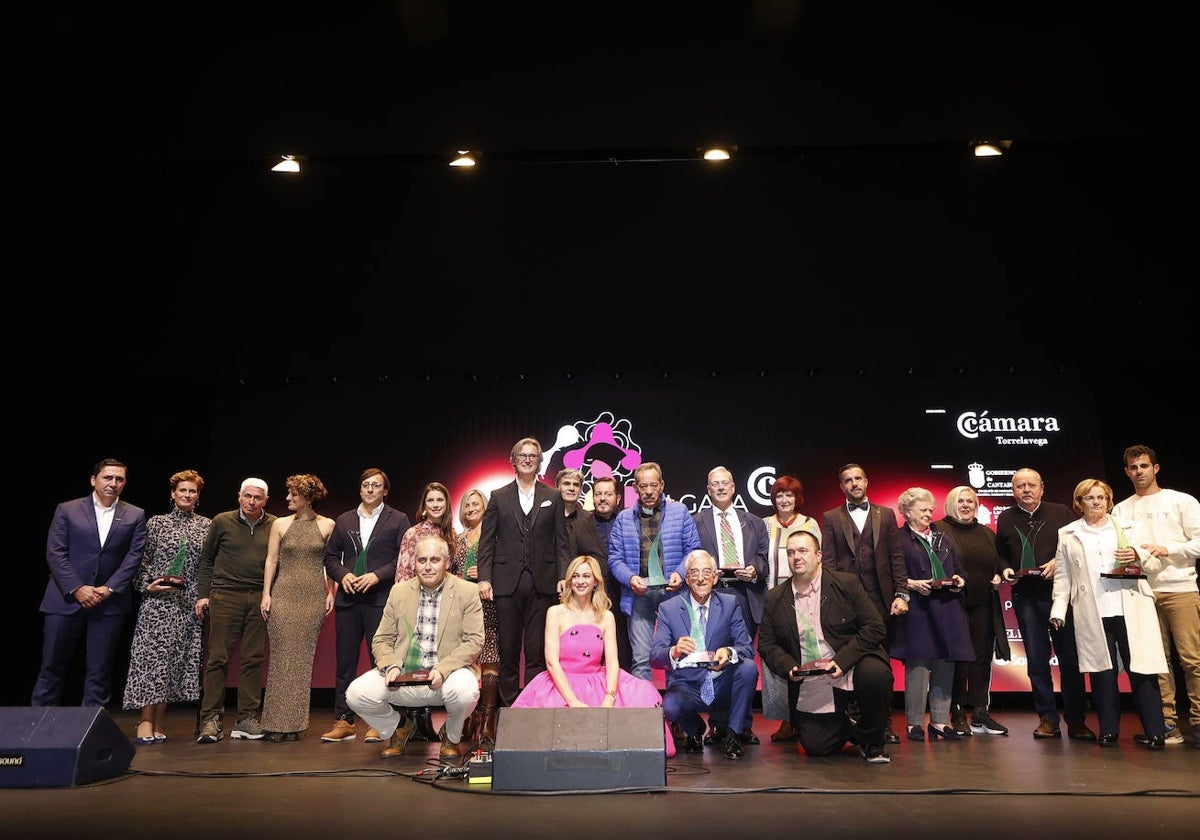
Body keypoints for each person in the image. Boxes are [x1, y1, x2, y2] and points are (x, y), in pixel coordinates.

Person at [511, 554, 676, 757]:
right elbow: (551, 662)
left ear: (596, 581)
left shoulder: (606, 616)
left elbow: (613, 662)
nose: (581, 581)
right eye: (576, 576)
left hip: (598, 681)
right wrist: (572, 701)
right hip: (560, 684)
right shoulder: (555, 612)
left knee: (643, 691)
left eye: (586, 576)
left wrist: (609, 696)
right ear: (569, 580)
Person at [758, 530, 894, 764]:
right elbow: (767, 644)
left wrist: (842, 662)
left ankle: (872, 741)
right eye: (791, 553)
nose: (796, 557)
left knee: (876, 674)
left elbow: (875, 627)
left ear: (819, 555)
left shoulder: (846, 584)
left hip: (850, 664)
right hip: (810, 678)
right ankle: (851, 723)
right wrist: (789, 668)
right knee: (816, 747)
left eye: (803, 551)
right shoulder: (775, 597)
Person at [1051, 478, 1168, 749]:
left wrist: (1137, 554)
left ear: (1109, 501)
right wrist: (1059, 610)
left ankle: (1155, 731)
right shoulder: (1068, 533)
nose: (1096, 502)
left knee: (1143, 670)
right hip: (1092, 611)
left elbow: (1153, 562)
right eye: (1090, 498)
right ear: (1080, 503)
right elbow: (1063, 576)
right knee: (1102, 673)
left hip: (1130, 607)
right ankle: (1109, 730)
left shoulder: (1129, 527)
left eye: (1101, 497)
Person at [345, 534, 483, 762]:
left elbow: (474, 641)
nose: (427, 566)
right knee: (356, 694)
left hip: (445, 677)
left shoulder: (466, 591)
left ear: (447, 562)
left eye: (434, 560)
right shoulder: (399, 592)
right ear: (414, 562)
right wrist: (390, 666)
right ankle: (399, 727)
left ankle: (451, 735)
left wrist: (443, 669)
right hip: (403, 678)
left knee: (466, 691)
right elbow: (381, 639)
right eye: (422, 560)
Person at [34, 458, 148, 709]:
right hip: (65, 600)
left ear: (125, 483)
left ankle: (91, 734)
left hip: (109, 603)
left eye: (119, 479)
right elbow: (56, 552)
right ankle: (38, 730)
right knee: (52, 667)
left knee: (100, 670)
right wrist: (78, 588)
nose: (113, 483)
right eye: (108, 477)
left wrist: (108, 588)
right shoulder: (68, 509)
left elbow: (133, 557)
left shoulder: (135, 514)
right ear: (93, 480)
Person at [997, 468, 1096, 741]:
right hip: (1026, 597)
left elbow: (1077, 546)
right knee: (1037, 661)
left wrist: (1058, 561)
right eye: (1020, 486)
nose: (1026, 490)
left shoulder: (1062, 513)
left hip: (1060, 597)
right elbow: (1000, 554)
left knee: (1070, 660)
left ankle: (1076, 720)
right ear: (1013, 490)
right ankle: (1047, 719)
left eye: (1031, 485)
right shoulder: (1005, 518)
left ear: (1042, 488)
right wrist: (1005, 569)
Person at [1112, 444, 1200, 748]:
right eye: (1134, 467)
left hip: (1180, 588)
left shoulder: (1181, 501)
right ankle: (1168, 724)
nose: (1139, 472)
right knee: (1156, 661)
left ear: (1156, 468)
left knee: (1192, 660)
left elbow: (1199, 543)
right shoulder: (1121, 509)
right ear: (1127, 472)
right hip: (1142, 592)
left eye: (1144, 466)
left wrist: (1168, 550)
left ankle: (1199, 723)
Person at [320, 468, 411, 744]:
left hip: (380, 600)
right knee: (345, 663)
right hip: (348, 600)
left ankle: (378, 719)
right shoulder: (345, 519)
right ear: (360, 489)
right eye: (366, 485)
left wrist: (376, 575)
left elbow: (403, 558)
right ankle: (343, 720)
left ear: (385, 491)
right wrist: (343, 574)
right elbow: (330, 557)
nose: (370, 489)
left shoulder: (398, 519)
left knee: (381, 662)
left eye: (376, 485)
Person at [819, 463, 908, 743]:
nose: (854, 483)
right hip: (846, 605)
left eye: (858, 478)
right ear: (841, 486)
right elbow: (829, 563)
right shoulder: (831, 517)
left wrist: (901, 593)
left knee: (880, 665)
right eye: (848, 480)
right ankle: (853, 717)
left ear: (867, 482)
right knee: (848, 661)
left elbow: (896, 557)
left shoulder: (887, 514)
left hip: (880, 601)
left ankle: (883, 722)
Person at [477, 438, 568, 707]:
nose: (528, 459)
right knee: (508, 651)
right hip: (506, 583)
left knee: (536, 652)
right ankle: (507, 710)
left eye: (533, 455)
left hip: (543, 582)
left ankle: (532, 707)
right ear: (513, 461)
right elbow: (486, 541)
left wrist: (563, 576)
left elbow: (561, 541)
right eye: (522, 455)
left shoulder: (552, 495)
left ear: (539, 461)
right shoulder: (498, 496)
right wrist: (484, 577)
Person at [122, 469, 210, 744]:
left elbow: (207, 565)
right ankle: (145, 719)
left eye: (192, 491)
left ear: (198, 496)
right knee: (152, 661)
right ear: (173, 493)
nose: (187, 495)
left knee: (175, 661)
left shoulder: (206, 526)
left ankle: (161, 720)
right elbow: (141, 558)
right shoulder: (157, 523)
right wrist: (148, 583)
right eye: (182, 490)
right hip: (157, 603)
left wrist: (203, 596)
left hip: (187, 604)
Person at [651, 549, 758, 759]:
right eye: (694, 573)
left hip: (721, 683)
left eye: (707, 572)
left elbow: (745, 647)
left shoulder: (729, 604)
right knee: (671, 705)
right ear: (687, 578)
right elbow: (655, 656)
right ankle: (694, 729)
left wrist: (728, 652)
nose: (701, 578)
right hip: (688, 684)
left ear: (716, 577)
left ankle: (734, 734)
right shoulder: (669, 608)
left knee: (748, 669)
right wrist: (674, 650)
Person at [194, 477, 276, 743]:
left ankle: (247, 718)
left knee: (253, 659)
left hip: (258, 598)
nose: (252, 501)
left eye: (257, 497)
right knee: (218, 658)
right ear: (239, 496)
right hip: (226, 594)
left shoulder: (275, 524)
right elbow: (206, 560)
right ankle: (211, 719)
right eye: (247, 496)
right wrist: (204, 595)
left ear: (266, 500)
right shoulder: (222, 521)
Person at [691, 465, 768, 746]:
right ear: (708, 490)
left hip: (745, 595)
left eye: (725, 483)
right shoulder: (696, 521)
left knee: (743, 662)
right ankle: (719, 725)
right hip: (712, 597)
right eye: (715, 484)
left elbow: (763, 558)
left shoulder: (755, 522)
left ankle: (743, 725)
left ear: (734, 487)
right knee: (716, 660)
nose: (721, 488)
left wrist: (754, 569)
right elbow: (692, 557)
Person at [889, 487, 973, 741]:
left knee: (945, 665)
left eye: (930, 509)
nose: (929, 513)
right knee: (918, 666)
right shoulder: (898, 539)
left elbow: (960, 569)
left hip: (947, 608)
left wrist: (959, 579)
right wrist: (911, 584)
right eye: (923, 509)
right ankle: (914, 723)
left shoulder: (942, 537)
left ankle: (939, 721)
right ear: (907, 512)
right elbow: (893, 574)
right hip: (918, 609)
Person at [259, 474, 335, 742]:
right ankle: (274, 723)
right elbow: (271, 560)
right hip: (284, 594)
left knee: (303, 660)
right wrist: (266, 593)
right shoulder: (280, 524)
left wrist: (331, 592)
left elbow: (331, 562)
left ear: (308, 498)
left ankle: (293, 724)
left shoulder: (327, 525)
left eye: (294, 494)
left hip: (312, 595)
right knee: (281, 658)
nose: (289, 498)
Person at [608, 462, 701, 682]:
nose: (648, 491)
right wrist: (630, 579)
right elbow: (615, 558)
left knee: (682, 656)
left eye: (653, 485)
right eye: (643, 486)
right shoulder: (623, 519)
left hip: (675, 594)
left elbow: (693, 549)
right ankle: (644, 714)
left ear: (661, 485)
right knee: (641, 660)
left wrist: (680, 572)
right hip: (638, 595)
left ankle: (679, 713)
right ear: (635, 489)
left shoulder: (680, 512)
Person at [938, 485, 1011, 737]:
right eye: (961, 501)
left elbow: (997, 563)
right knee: (959, 660)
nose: (966, 505)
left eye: (971, 501)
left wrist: (998, 576)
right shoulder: (939, 529)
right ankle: (957, 712)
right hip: (953, 604)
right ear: (951, 504)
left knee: (981, 658)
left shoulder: (986, 533)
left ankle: (980, 713)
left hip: (983, 604)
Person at [394, 480, 461, 740]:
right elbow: (403, 572)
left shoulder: (451, 535)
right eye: (430, 500)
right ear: (424, 506)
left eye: (440, 500)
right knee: (413, 660)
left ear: (446, 505)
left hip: (443, 608)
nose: (435, 505)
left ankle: (427, 723)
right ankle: (411, 722)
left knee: (435, 660)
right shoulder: (413, 534)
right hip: (416, 604)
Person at [761, 474, 822, 743]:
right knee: (777, 658)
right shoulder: (764, 525)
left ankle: (809, 715)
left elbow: (818, 562)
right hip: (773, 600)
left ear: (798, 498)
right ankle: (786, 719)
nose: (784, 500)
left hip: (805, 599)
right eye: (779, 495)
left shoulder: (810, 524)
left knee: (807, 653)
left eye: (790, 495)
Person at [455, 487, 501, 747]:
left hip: (488, 605)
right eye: (467, 505)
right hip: (462, 607)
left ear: (484, 506)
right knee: (465, 661)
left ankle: (487, 720)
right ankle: (467, 717)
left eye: (475, 504)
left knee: (490, 657)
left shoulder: (494, 537)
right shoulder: (458, 540)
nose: (471, 508)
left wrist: (485, 570)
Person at [591, 475, 631, 671]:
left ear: (618, 498)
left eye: (608, 494)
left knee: (623, 644)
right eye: (598, 494)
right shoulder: (583, 521)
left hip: (623, 591)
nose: (602, 498)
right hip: (591, 594)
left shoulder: (629, 520)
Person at [558, 468, 607, 566]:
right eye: (566, 484)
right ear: (557, 487)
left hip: (582, 578)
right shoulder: (546, 516)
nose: (571, 488)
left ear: (580, 490)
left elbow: (597, 554)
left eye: (576, 485)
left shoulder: (590, 519)